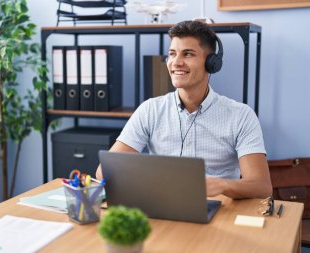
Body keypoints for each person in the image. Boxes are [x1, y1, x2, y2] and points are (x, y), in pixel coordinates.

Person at [96, 20, 272, 199]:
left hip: (218, 211)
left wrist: (221, 185)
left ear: (211, 63)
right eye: (172, 54)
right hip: (163, 204)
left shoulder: (240, 115)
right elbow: (104, 172)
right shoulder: (150, 110)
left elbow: (261, 186)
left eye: (187, 54)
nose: (176, 62)